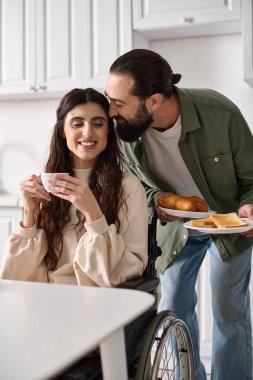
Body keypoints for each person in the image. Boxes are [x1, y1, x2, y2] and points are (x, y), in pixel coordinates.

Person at [105, 48, 253, 380]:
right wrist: (158, 200)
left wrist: (249, 206)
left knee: (228, 310)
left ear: (154, 101)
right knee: (172, 303)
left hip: (230, 226)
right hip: (177, 229)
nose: (111, 110)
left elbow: (252, 180)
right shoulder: (125, 133)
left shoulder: (220, 113)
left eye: (119, 102)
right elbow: (133, 188)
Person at [0, 88, 148, 287]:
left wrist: (93, 214)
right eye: (77, 123)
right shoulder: (49, 183)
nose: (88, 132)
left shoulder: (128, 186)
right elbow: (15, 276)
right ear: (62, 130)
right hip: (46, 297)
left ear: (107, 131)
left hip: (97, 302)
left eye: (98, 123)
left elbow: (131, 268)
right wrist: (30, 211)